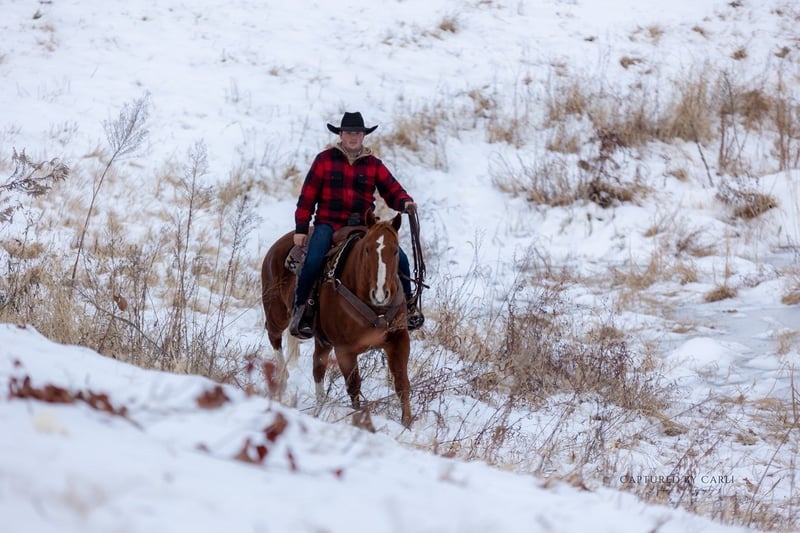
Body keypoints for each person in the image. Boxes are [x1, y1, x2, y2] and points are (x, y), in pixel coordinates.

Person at [289, 111, 424, 339]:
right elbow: (307, 196)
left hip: (364, 226)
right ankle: (302, 309)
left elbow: (392, 189)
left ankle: (409, 307)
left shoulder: (374, 165)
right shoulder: (324, 160)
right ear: (341, 135)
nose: (353, 137)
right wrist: (301, 228)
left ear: (363, 136)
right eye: (349, 133)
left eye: (358, 133)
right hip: (329, 224)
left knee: (400, 259)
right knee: (313, 260)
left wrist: (405, 202)